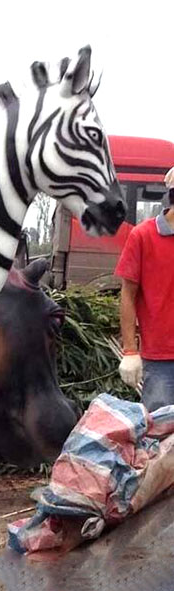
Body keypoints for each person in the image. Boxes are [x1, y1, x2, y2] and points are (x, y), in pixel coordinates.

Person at [115, 166, 174, 410]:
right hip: (161, 361)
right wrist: (130, 351)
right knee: (162, 437)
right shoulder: (143, 236)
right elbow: (128, 295)